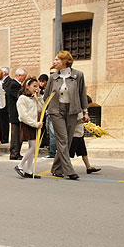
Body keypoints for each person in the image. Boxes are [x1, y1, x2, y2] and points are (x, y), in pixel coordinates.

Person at [42, 51, 89, 180]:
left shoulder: (78, 75)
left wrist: (85, 112)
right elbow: (46, 96)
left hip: (72, 110)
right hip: (56, 111)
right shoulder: (52, 77)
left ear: (65, 61)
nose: (54, 62)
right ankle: (68, 170)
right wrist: (47, 110)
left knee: (67, 141)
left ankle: (56, 168)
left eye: (57, 59)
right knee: (62, 140)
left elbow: (82, 95)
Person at [14, 77, 44, 179]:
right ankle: (20, 165)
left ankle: (29, 171)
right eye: (34, 86)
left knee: (32, 147)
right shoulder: (22, 98)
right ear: (27, 86)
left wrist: (39, 97)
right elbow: (23, 116)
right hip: (28, 124)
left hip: (34, 124)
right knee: (34, 147)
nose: (37, 89)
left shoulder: (34, 97)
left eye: (38, 87)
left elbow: (42, 109)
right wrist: (35, 124)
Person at [69, 107, 101, 175]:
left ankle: (88, 167)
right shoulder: (74, 109)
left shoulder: (83, 111)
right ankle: (65, 168)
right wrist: (82, 120)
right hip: (74, 135)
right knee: (69, 154)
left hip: (80, 134)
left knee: (83, 152)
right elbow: (72, 123)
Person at [6, 68, 27, 160]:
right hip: (15, 114)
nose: (24, 79)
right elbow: (19, 97)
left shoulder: (16, 84)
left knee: (19, 134)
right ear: (19, 76)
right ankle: (14, 153)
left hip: (18, 114)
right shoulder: (13, 85)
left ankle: (17, 152)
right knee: (16, 135)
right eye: (24, 77)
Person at [39, 73, 57, 158]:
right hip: (49, 113)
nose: (41, 83)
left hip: (52, 113)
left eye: (43, 81)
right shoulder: (44, 90)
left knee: (53, 134)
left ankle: (52, 152)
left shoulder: (50, 90)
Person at [0, 67, 10, 144]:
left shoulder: (8, 81)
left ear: (4, 73)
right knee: (1, 122)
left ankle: (4, 138)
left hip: (5, 105)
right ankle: (1, 137)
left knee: (4, 122)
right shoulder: (1, 81)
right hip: (1, 104)